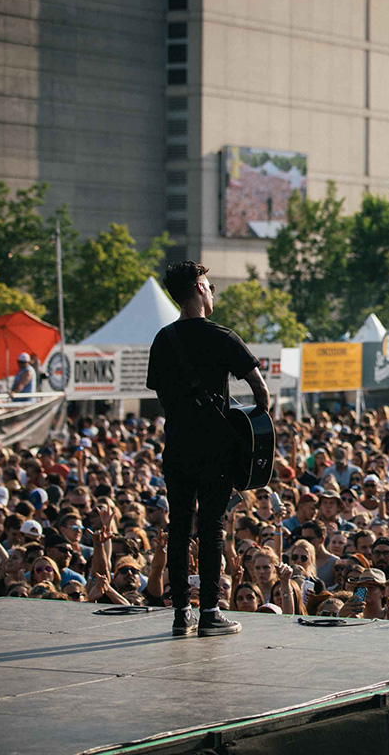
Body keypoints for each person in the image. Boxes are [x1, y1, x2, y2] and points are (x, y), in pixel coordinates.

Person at [147, 261, 270, 637]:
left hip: (178, 449)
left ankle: (181, 612)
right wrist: (249, 426)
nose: (212, 291)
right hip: (215, 451)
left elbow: (161, 395)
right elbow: (261, 392)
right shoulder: (223, 336)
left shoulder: (163, 340)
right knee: (212, 528)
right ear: (200, 288)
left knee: (180, 528)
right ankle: (211, 613)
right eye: (210, 285)